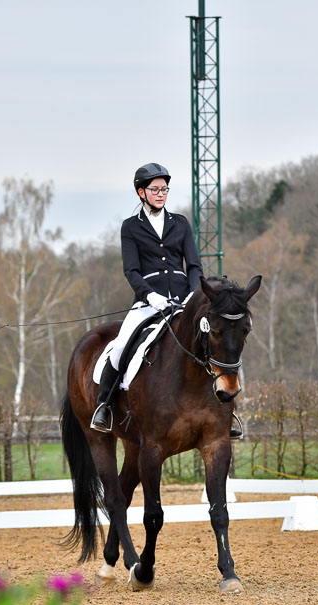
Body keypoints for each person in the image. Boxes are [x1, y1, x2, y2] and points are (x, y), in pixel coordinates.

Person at [90, 162, 243, 439]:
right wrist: (151, 296)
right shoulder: (130, 228)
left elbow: (194, 265)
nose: (161, 194)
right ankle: (104, 406)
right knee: (120, 346)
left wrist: (192, 295)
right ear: (141, 192)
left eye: (164, 189)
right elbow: (131, 271)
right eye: (155, 189)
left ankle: (227, 412)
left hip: (185, 300)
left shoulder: (180, 223)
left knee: (213, 344)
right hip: (149, 302)